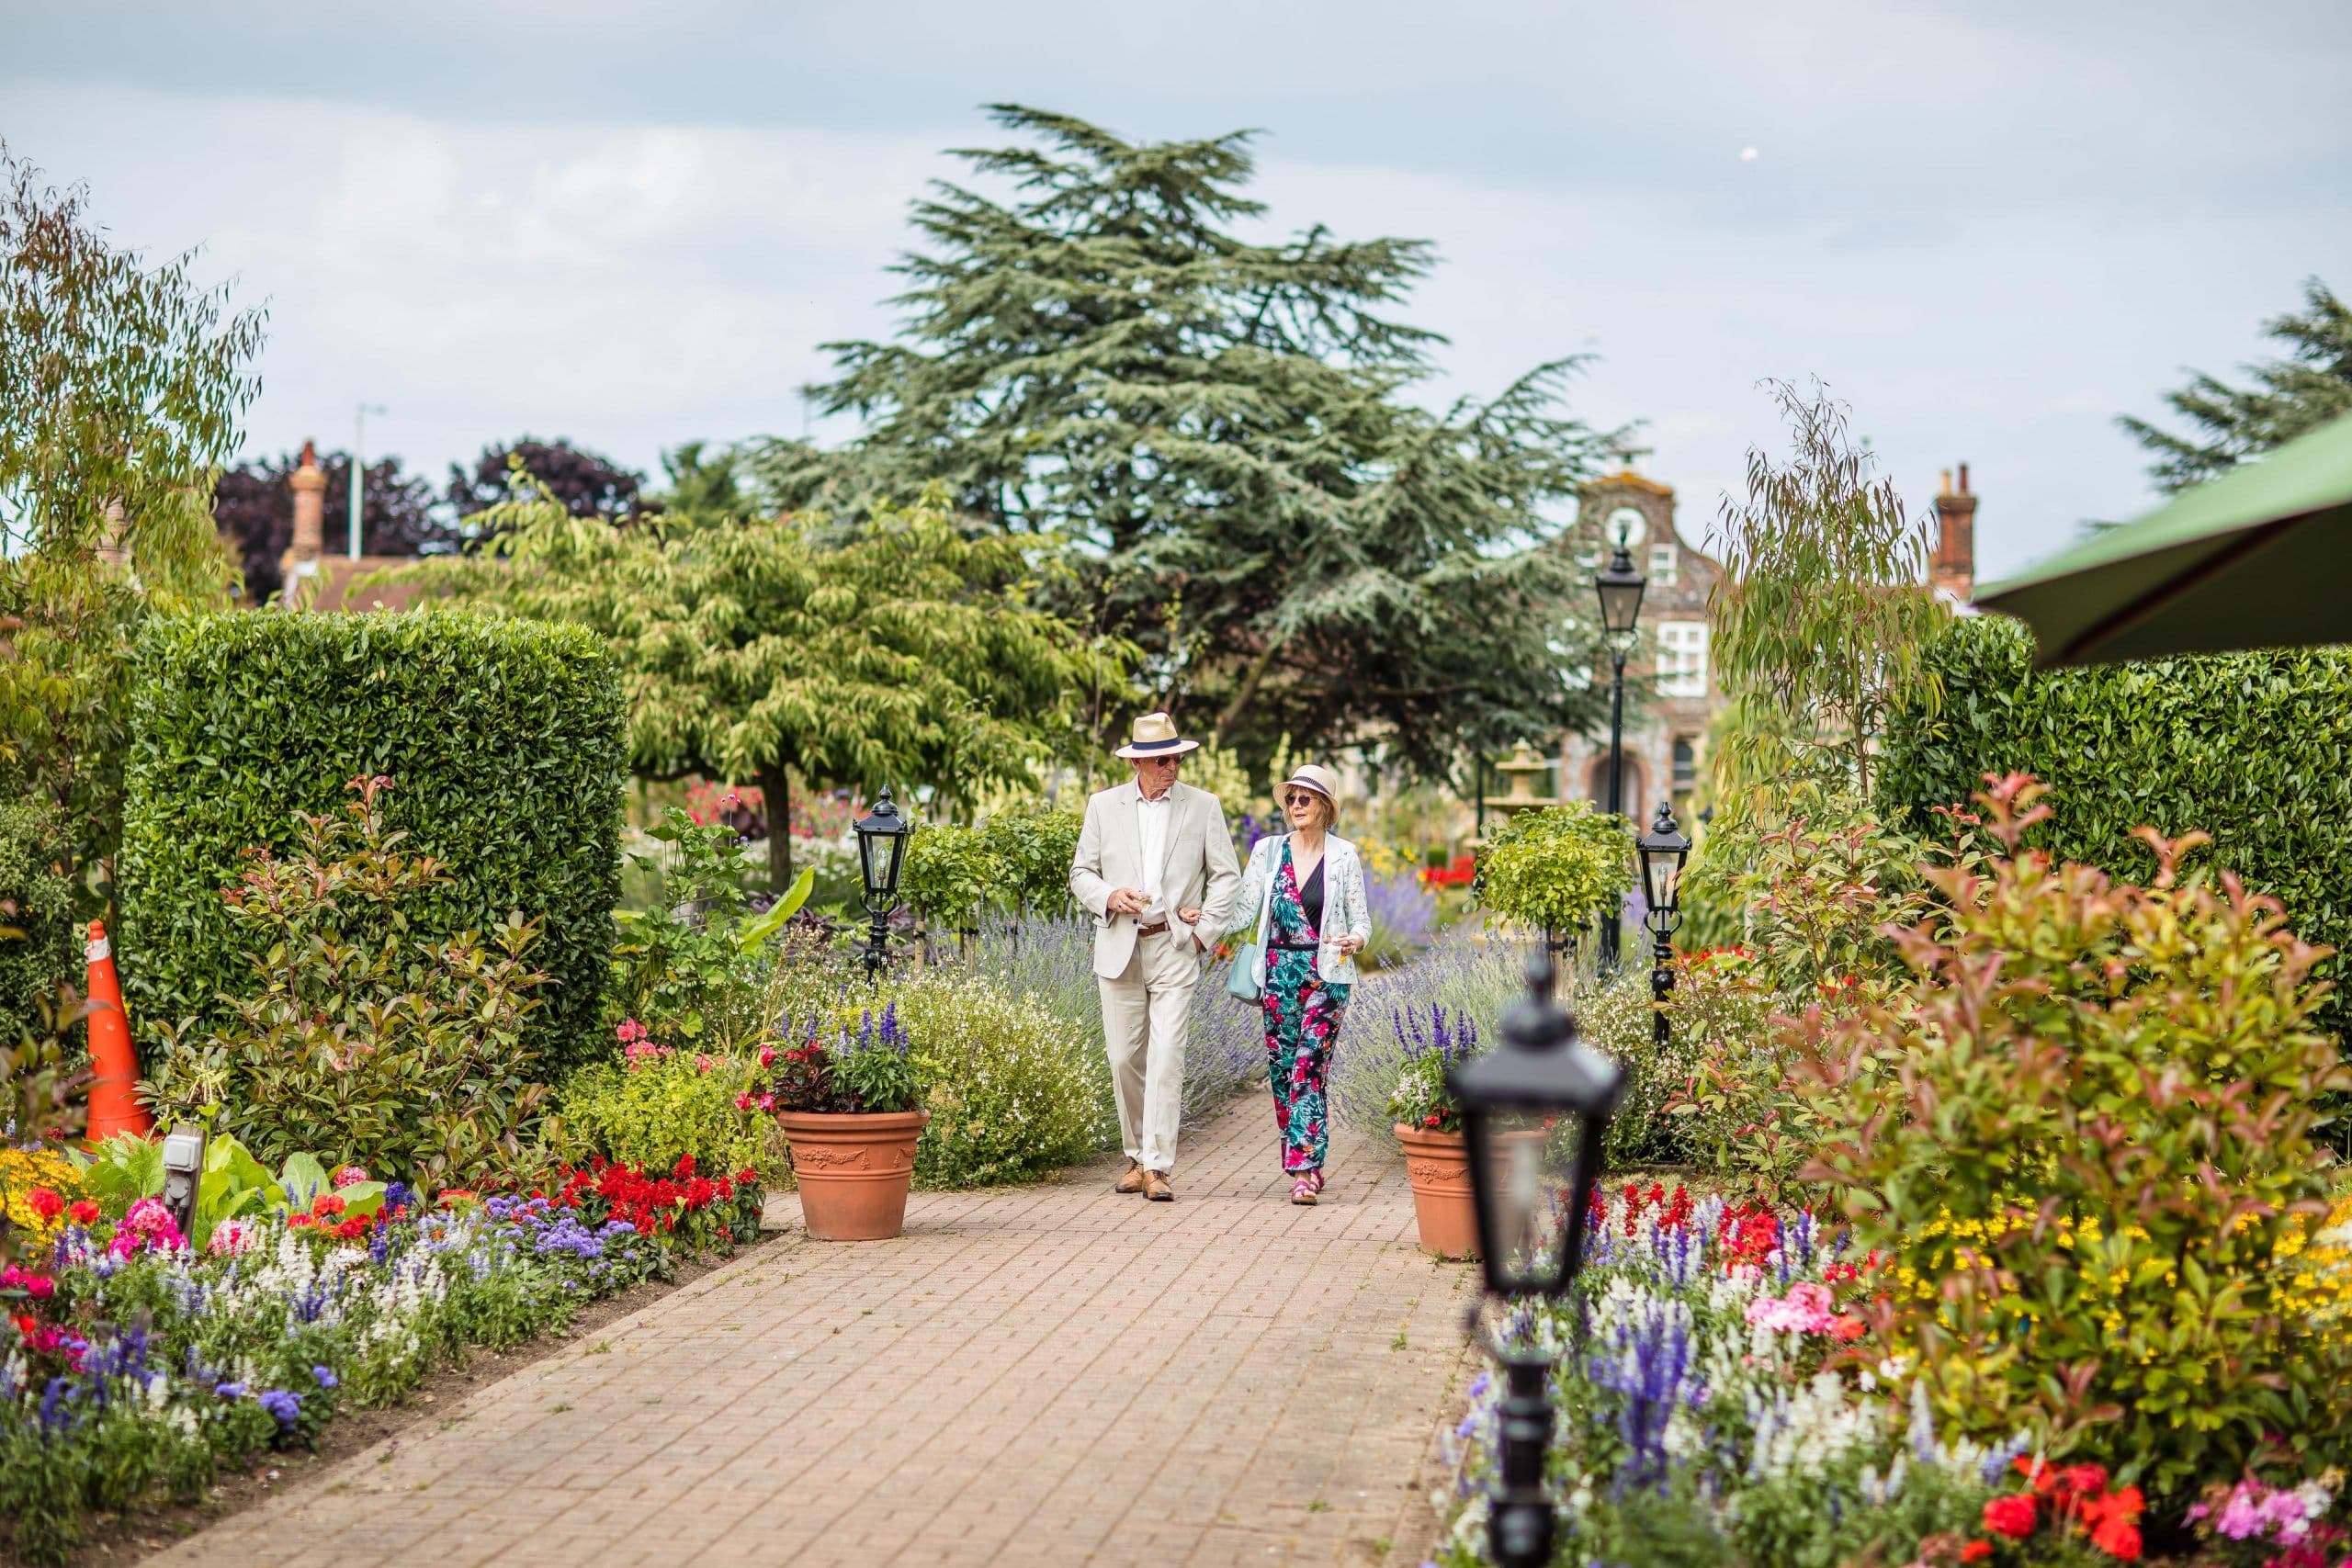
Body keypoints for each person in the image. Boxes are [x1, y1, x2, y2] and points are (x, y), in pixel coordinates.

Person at [1068, 712, 1241, 1202]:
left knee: (1167, 1058)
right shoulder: (1103, 806)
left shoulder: (1204, 807)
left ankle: (1159, 1167)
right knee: (1124, 1058)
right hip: (1120, 943)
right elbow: (1081, 872)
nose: (1173, 767)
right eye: (1164, 759)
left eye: (1177, 757)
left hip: (1174, 944)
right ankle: (1137, 1159)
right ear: (1140, 763)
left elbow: (1227, 875)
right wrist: (1107, 896)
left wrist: (1205, 929)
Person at [1194, 764, 1369, 1205]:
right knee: (1283, 1071)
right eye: (1291, 798)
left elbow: (1360, 919)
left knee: (1309, 1067)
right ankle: (1305, 1157)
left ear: (1325, 807)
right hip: (1277, 974)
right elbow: (1243, 911)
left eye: (1305, 799)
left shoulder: (1344, 855)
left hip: (1326, 975)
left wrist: (1356, 940)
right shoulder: (1268, 851)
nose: (1296, 806)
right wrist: (1202, 917)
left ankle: (1305, 1171)